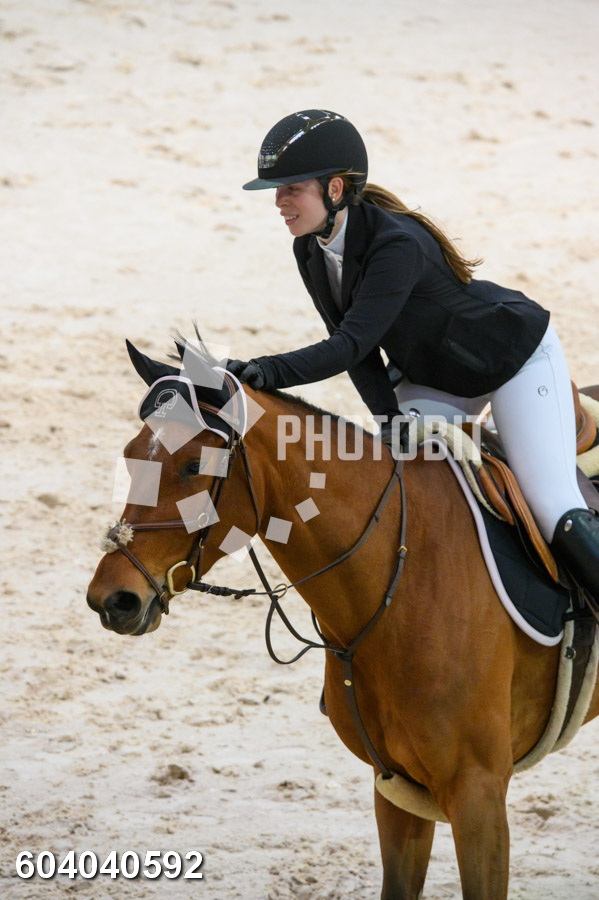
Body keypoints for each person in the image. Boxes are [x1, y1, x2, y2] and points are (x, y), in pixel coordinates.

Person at [228, 108, 599, 603]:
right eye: (278, 190)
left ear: (334, 189)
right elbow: (358, 354)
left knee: (551, 504)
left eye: (291, 188)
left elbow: (349, 344)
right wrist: (388, 419)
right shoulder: (310, 249)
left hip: (511, 360)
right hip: (434, 374)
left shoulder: (396, 244)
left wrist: (264, 371)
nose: (278, 201)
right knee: (398, 484)